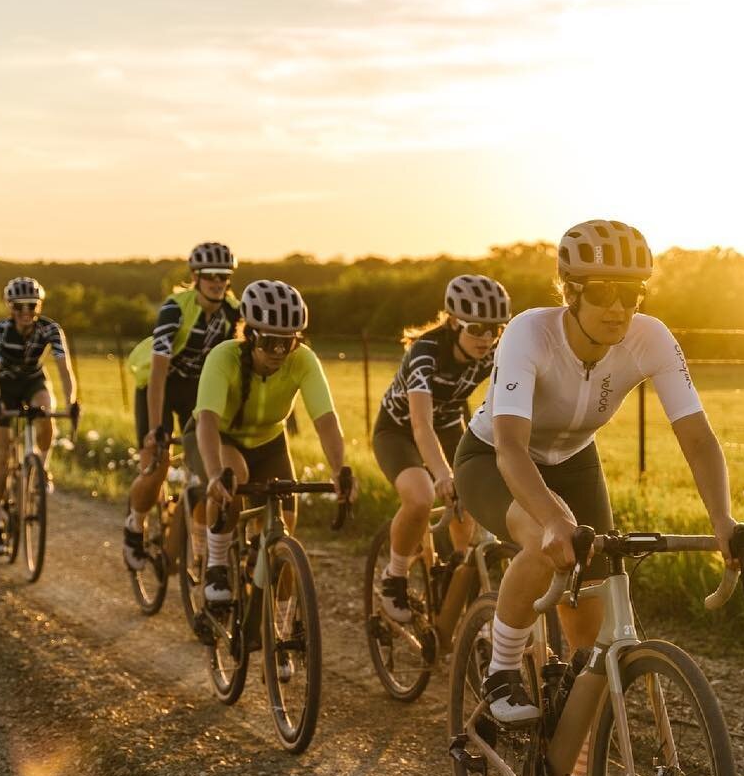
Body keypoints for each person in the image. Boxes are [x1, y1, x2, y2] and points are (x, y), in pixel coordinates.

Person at [453, 218, 744, 776]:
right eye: (604, 292)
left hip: (574, 460)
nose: (620, 308)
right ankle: (501, 670)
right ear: (570, 291)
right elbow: (513, 447)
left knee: (591, 635)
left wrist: (723, 518)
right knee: (544, 541)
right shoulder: (528, 333)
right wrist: (553, 520)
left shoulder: (650, 338)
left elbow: (696, 436)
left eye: (633, 292)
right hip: (494, 457)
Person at [190, 279, 353, 606]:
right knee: (233, 476)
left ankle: (276, 626)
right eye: (269, 341)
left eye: (288, 342)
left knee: (285, 529)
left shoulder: (303, 361)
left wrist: (340, 470)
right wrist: (212, 475)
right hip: (223, 438)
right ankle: (218, 564)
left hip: (270, 441)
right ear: (249, 334)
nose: (279, 351)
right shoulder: (224, 358)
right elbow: (206, 420)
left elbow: (326, 420)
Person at [372, 275, 510, 623]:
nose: (486, 338)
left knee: (467, 512)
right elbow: (420, 424)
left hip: (449, 426)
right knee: (420, 497)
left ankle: (456, 584)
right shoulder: (424, 354)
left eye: (495, 329)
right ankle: (395, 575)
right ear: (453, 321)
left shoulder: (495, 352)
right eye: (476, 328)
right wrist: (444, 474)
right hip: (399, 431)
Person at [122, 242, 243, 571]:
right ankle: (135, 525)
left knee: (207, 466)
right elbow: (159, 372)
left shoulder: (234, 313)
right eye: (211, 276)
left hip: (198, 391)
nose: (218, 282)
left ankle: (190, 546)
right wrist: (155, 430)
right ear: (196, 277)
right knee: (156, 466)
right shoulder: (175, 309)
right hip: (160, 386)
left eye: (224, 276)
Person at [0, 276, 79, 554]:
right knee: (0, 453)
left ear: (39, 306)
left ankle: (41, 468)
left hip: (34, 380)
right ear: (9, 307)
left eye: (31, 306)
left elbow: (64, 369)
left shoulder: (50, 329)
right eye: (19, 306)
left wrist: (72, 400)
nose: (26, 312)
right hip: (5, 384)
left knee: (46, 415)